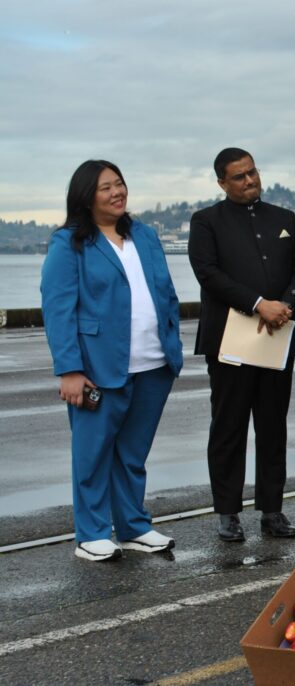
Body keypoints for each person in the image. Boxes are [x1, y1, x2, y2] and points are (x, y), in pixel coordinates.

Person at [41, 160, 183, 561]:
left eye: (119, 184)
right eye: (105, 187)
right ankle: (91, 533)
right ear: (86, 197)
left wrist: (172, 339)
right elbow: (58, 309)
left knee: (133, 453)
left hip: (153, 364)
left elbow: (166, 292)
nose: (117, 192)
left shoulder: (145, 235)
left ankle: (134, 526)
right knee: (92, 453)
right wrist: (69, 370)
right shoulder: (69, 243)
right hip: (97, 368)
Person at [189, 148, 295, 542]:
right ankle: (228, 512)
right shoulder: (206, 221)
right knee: (229, 427)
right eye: (239, 176)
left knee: (273, 427)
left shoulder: (284, 218)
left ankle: (272, 510)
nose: (250, 181)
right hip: (230, 340)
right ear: (222, 183)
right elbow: (208, 273)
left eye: (253, 172)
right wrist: (259, 304)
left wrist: (285, 306)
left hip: (279, 335)